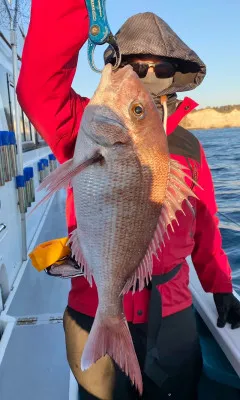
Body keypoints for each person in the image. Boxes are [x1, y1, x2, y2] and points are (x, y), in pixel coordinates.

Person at [17, 1, 240, 399]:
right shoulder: (85, 123)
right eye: (137, 66)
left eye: (162, 68)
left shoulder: (189, 146)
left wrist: (220, 285)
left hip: (172, 313)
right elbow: (37, 87)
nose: (148, 76)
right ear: (116, 64)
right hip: (94, 304)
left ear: (175, 77)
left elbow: (205, 223)